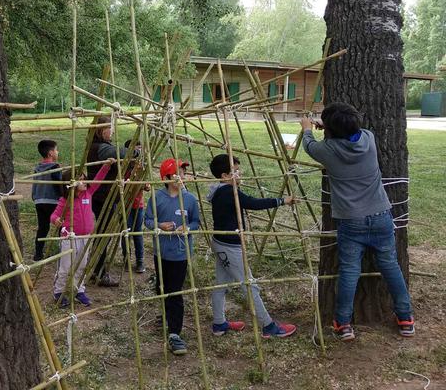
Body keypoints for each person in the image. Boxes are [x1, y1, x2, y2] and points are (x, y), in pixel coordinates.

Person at [301, 102, 414, 341]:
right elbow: (350, 133)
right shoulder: (368, 139)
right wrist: (330, 127)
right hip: (381, 215)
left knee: (349, 271)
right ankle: (405, 318)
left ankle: (343, 324)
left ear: (330, 130)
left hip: (351, 220)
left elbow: (309, 145)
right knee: (390, 265)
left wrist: (307, 128)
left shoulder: (327, 150)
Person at [207, 154, 297, 338]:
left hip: (220, 243)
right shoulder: (228, 192)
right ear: (225, 175)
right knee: (249, 285)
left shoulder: (219, 190)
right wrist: (282, 201)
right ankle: (268, 326)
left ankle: (219, 323)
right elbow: (253, 203)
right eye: (236, 171)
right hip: (229, 247)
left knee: (221, 284)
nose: (240, 174)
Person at [144, 158, 200, 355]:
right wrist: (159, 225)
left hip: (180, 253)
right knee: (162, 286)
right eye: (178, 173)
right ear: (166, 178)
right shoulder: (156, 198)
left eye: (183, 173)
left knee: (175, 291)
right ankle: (166, 312)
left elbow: (196, 222)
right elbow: (147, 220)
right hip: (161, 252)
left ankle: (175, 333)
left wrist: (188, 228)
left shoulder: (190, 199)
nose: (182, 177)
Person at [51, 159, 115, 307]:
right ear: (71, 183)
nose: (84, 181)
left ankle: (79, 290)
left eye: (84, 178)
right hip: (69, 238)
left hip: (85, 237)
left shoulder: (88, 193)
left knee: (81, 265)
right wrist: (56, 221)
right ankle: (58, 291)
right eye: (80, 179)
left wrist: (106, 167)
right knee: (65, 267)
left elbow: (98, 180)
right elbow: (54, 215)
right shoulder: (65, 200)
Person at [87, 116, 138, 286]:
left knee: (104, 233)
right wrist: (136, 152)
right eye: (110, 128)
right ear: (101, 130)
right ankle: (99, 272)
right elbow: (120, 153)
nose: (113, 131)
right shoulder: (100, 147)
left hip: (103, 195)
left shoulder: (97, 145)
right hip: (102, 196)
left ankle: (96, 268)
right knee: (104, 234)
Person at [31, 140, 62, 261]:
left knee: (43, 228)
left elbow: (35, 185)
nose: (57, 152)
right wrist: (63, 196)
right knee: (62, 226)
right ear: (50, 153)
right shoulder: (55, 167)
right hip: (53, 201)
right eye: (56, 150)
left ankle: (38, 254)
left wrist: (35, 197)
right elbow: (59, 185)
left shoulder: (37, 168)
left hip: (39, 201)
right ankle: (63, 250)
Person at [121, 139, 147, 273]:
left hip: (138, 205)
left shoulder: (141, 167)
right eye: (136, 149)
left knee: (138, 233)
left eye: (140, 149)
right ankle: (126, 259)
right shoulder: (123, 167)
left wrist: (143, 184)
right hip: (125, 205)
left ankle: (140, 261)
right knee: (126, 233)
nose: (138, 152)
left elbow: (146, 185)